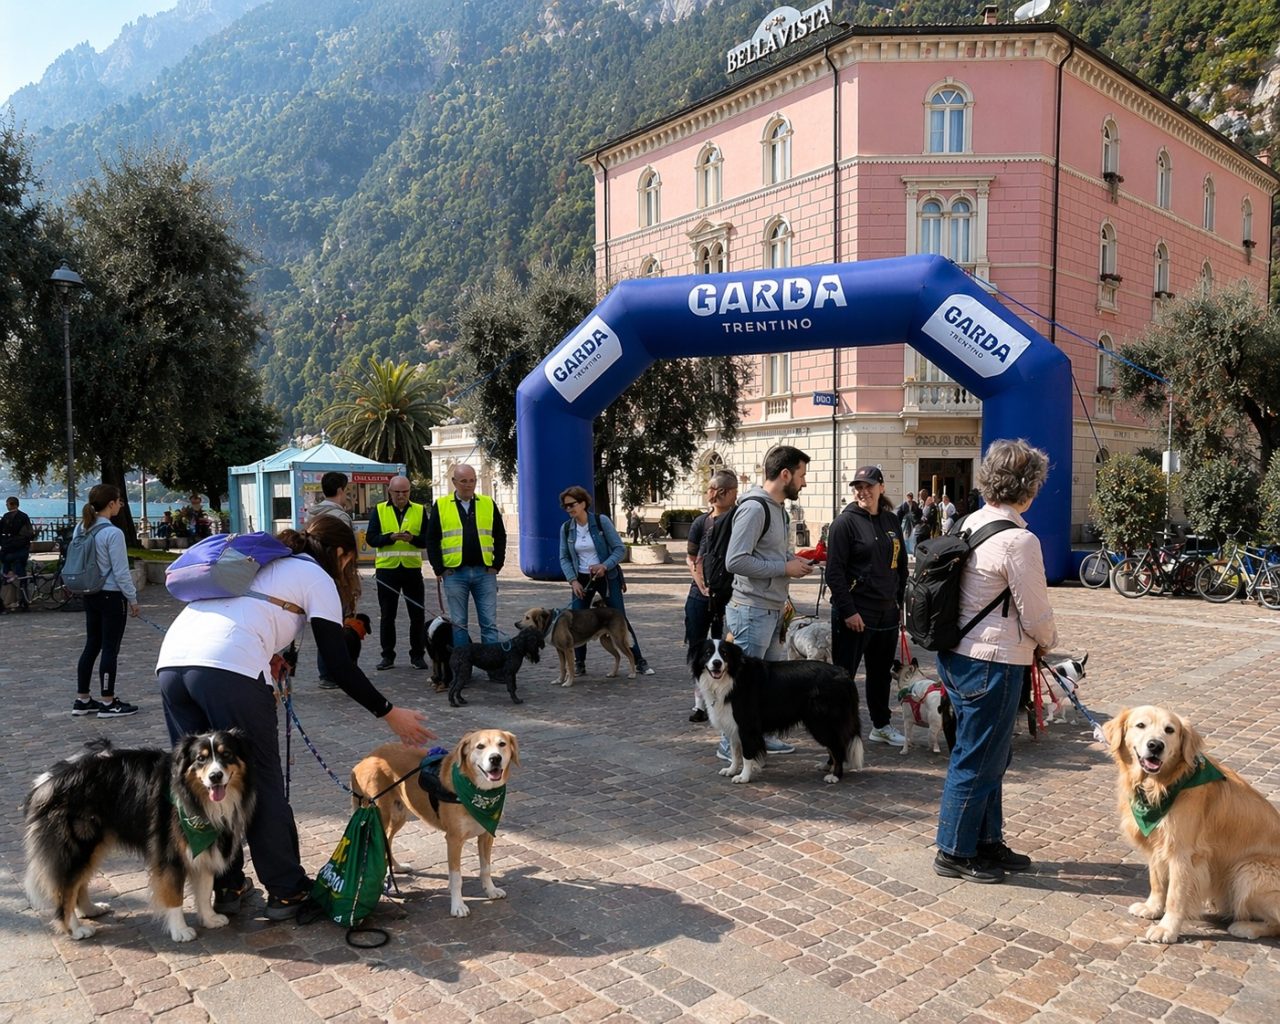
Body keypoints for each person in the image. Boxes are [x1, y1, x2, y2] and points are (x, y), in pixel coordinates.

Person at [156, 514, 433, 919]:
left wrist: (269, 655)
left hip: (172, 664)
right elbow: (338, 664)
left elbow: (246, 613)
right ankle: (286, 890)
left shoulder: (267, 563)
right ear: (342, 554)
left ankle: (226, 885)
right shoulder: (316, 576)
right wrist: (389, 712)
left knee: (207, 782)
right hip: (229, 667)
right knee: (259, 781)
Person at [933, 439, 1058, 884]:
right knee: (979, 757)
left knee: (988, 755)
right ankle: (954, 850)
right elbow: (1036, 614)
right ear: (1029, 486)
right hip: (993, 661)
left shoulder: (970, 522)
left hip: (957, 654)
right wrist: (1048, 642)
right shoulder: (1019, 541)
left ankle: (986, 840)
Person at [719, 445, 814, 760]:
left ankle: (759, 734)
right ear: (785, 474)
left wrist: (795, 561)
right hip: (751, 610)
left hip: (771, 609)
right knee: (740, 684)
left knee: (766, 684)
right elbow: (735, 560)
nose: (804, 482)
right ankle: (730, 745)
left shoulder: (778, 509)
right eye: (801, 475)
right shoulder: (755, 509)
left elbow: (771, 553)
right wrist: (784, 568)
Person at [826, 466, 909, 748]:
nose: (863, 492)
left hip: (886, 611)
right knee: (843, 676)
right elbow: (834, 573)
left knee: (880, 674)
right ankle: (839, 732)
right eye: (858, 487)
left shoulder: (891, 520)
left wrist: (899, 603)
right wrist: (849, 611)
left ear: (881, 488)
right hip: (856, 612)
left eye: (869, 486)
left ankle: (881, 725)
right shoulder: (844, 523)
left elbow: (901, 566)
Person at [557, 486, 654, 676]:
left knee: (619, 617)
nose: (568, 509)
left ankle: (639, 661)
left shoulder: (601, 522)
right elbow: (564, 557)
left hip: (606, 577)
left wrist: (604, 565)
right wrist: (573, 580)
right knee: (576, 620)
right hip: (582, 579)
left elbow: (619, 549)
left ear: (583, 503)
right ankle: (579, 663)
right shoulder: (567, 528)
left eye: (572, 505)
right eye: (565, 506)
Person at [72, 484, 141, 718]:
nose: (121, 505)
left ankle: (82, 699)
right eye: (119, 501)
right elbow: (121, 572)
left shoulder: (82, 527)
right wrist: (132, 599)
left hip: (90, 592)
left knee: (92, 644)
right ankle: (108, 702)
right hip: (111, 595)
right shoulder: (113, 533)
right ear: (111, 504)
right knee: (110, 648)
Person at [425, 463, 506, 644]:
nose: (469, 485)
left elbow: (500, 535)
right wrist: (439, 568)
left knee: (489, 623)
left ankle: (491, 659)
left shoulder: (488, 503)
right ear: (454, 482)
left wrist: (497, 564)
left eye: (472, 480)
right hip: (455, 573)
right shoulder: (441, 505)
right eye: (463, 481)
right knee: (459, 623)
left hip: (484, 572)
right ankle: (462, 661)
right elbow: (431, 539)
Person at [684, 470, 739, 721]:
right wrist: (700, 582)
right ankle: (700, 703)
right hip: (700, 595)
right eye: (710, 489)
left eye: (715, 490)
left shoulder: (739, 519)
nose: (711, 494)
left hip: (730, 594)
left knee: (728, 646)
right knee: (698, 648)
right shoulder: (701, 522)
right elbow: (691, 557)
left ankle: (726, 698)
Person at [365, 475, 428, 671]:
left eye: (405, 492)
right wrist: (389, 538)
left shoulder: (419, 510)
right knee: (387, 615)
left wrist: (413, 539)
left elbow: (427, 539)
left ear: (410, 491)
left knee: (417, 615)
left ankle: (417, 655)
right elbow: (371, 539)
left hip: (411, 569)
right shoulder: (379, 510)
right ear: (389, 491)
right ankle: (387, 656)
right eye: (397, 492)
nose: (401, 496)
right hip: (387, 570)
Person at [308, 471, 353, 688]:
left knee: (323, 623)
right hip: (336, 577)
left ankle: (326, 673)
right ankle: (334, 672)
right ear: (340, 490)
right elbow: (346, 552)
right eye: (347, 490)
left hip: (315, 574)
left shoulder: (313, 515)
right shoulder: (340, 517)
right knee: (336, 625)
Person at [1, 496, 35, 610]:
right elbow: (30, 533)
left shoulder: (6, 517)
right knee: (22, 574)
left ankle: (7, 599)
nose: (6, 506)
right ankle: (23, 600)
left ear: (11, 504)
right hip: (22, 550)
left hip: (9, 550)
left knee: (5, 571)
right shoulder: (24, 516)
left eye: (7, 504)